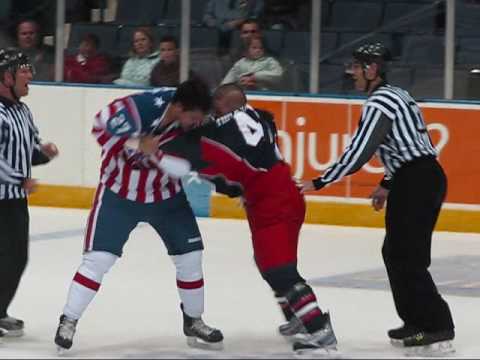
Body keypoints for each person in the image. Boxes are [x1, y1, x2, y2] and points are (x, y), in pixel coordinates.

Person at [148, 83, 337, 355]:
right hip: (278, 196)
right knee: (270, 263)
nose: (211, 110)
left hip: (273, 202)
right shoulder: (259, 116)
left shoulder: (222, 129)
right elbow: (239, 168)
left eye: (216, 105)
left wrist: (158, 141)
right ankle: (298, 316)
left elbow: (206, 151)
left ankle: (319, 328)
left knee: (278, 269)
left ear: (226, 105)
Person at [301, 43, 455, 354]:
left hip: (417, 181)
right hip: (420, 178)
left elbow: (359, 152)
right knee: (397, 252)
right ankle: (415, 319)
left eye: (357, 68)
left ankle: (437, 324)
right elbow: (407, 145)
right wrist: (387, 182)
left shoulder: (379, 103)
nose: (352, 73)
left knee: (406, 256)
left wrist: (320, 181)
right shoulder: (399, 94)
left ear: (372, 70)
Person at [53, 78, 223, 353]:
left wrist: (155, 152)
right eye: (192, 117)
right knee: (98, 260)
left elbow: (185, 165)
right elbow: (99, 127)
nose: (195, 123)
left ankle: (194, 320)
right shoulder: (139, 108)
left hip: (166, 197)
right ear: (179, 106)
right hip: (119, 195)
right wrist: (136, 143)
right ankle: (68, 321)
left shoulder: (195, 123)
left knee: (190, 258)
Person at [0, 48, 58, 337]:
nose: (30, 76)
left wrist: (43, 153)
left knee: (16, 257)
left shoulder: (23, 111)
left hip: (14, 200)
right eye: (23, 70)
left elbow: (28, 151)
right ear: (6, 77)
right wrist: (19, 179)